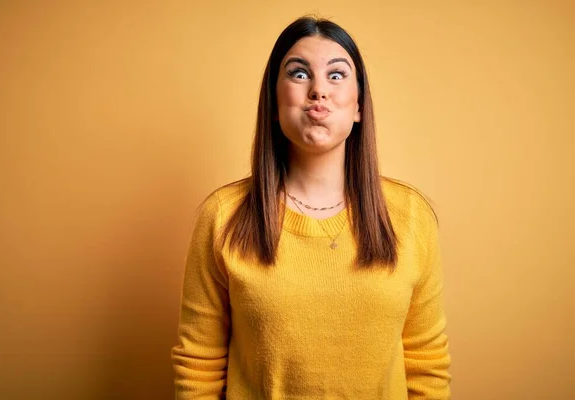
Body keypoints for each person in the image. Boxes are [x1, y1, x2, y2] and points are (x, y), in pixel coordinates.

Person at [172, 16, 451, 399]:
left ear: (358, 106)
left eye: (336, 75)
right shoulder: (223, 217)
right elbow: (198, 367)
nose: (319, 90)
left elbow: (427, 362)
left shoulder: (411, 217)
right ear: (273, 102)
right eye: (299, 74)